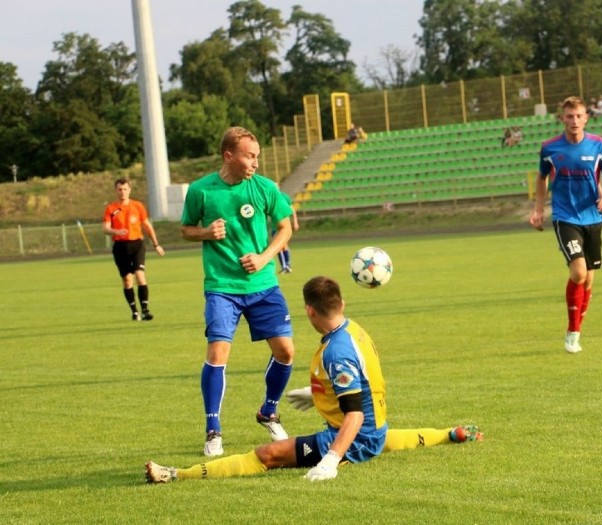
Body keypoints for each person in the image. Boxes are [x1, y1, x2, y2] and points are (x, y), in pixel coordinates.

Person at [145, 276, 481, 484]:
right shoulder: (353, 329)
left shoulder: (338, 352)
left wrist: (331, 460)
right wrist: (319, 393)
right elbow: (366, 382)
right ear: (341, 303)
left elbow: (355, 414)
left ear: (309, 310)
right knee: (381, 438)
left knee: (268, 454)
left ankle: (178, 474)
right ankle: (453, 433)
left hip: (355, 436)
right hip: (374, 428)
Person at [180, 126, 296, 457]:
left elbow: (285, 227)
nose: (256, 163)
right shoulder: (201, 191)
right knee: (217, 353)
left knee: (286, 351)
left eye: (257, 156)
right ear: (229, 156)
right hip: (222, 287)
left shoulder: (263, 188)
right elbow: (186, 230)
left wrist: (263, 258)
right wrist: (204, 232)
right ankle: (213, 429)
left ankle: (269, 411)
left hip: (263, 286)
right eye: (249, 156)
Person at [529, 96, 602, 354]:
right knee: (579, 273)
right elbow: (541, 178)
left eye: (579, 116)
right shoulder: (550, 149)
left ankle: (578, 324)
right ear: (562, 119)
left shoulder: (599, 146)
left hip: (592, 217)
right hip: (565, 217)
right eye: (569, 116)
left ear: (586, 118)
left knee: (589, 280)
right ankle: (572, 333)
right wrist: (538, 210)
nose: (574, 121)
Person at [102, 178, 165, 321]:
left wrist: (156, 244)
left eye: (125, 189)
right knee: (127, 280)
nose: (122, 192)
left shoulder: (137, 206)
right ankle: (134, 311)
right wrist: (116, 232)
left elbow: (147, 225)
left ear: (129, 190)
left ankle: (145, 310)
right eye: (119, 189)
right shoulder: (113, 209)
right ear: (116, 191)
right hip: (120, 247)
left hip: (137, 244)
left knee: (140, 275)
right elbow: (105, 228)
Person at [275, 191, 300, 273]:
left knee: (281, 246)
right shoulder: (269, 195)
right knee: (282, 246)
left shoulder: (284, 197)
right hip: (274, 226)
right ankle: (287, 266)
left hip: (283, 225)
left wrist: (295, 221)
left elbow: (292, 210)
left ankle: (285, 266)